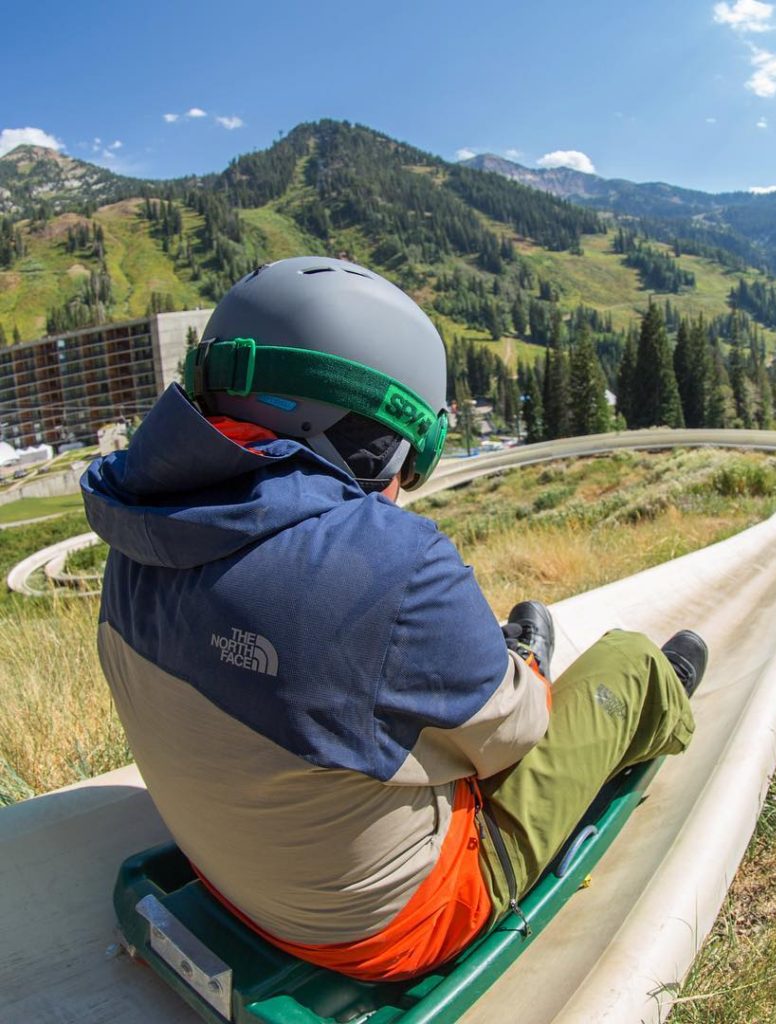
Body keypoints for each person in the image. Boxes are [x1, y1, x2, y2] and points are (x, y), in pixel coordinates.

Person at [82, 256, 708, 982]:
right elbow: (517, 741)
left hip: (224, 865)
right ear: (374, 435)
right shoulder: (391, 561)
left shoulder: (136, 527)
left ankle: (493, 667)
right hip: (386, 927)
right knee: (626, 663)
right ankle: (651, 699)